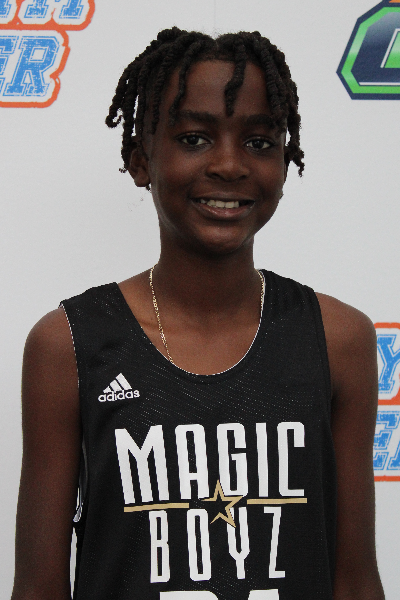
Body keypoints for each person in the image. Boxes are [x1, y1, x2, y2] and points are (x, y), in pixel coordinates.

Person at [11, 28, 385, 600]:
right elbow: (38, 588)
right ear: (141, 160)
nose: (230, 165)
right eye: (193, 138)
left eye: (259, 141)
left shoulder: (339, 338)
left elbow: (355, 580)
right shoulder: (68, 343)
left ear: (285, 163)